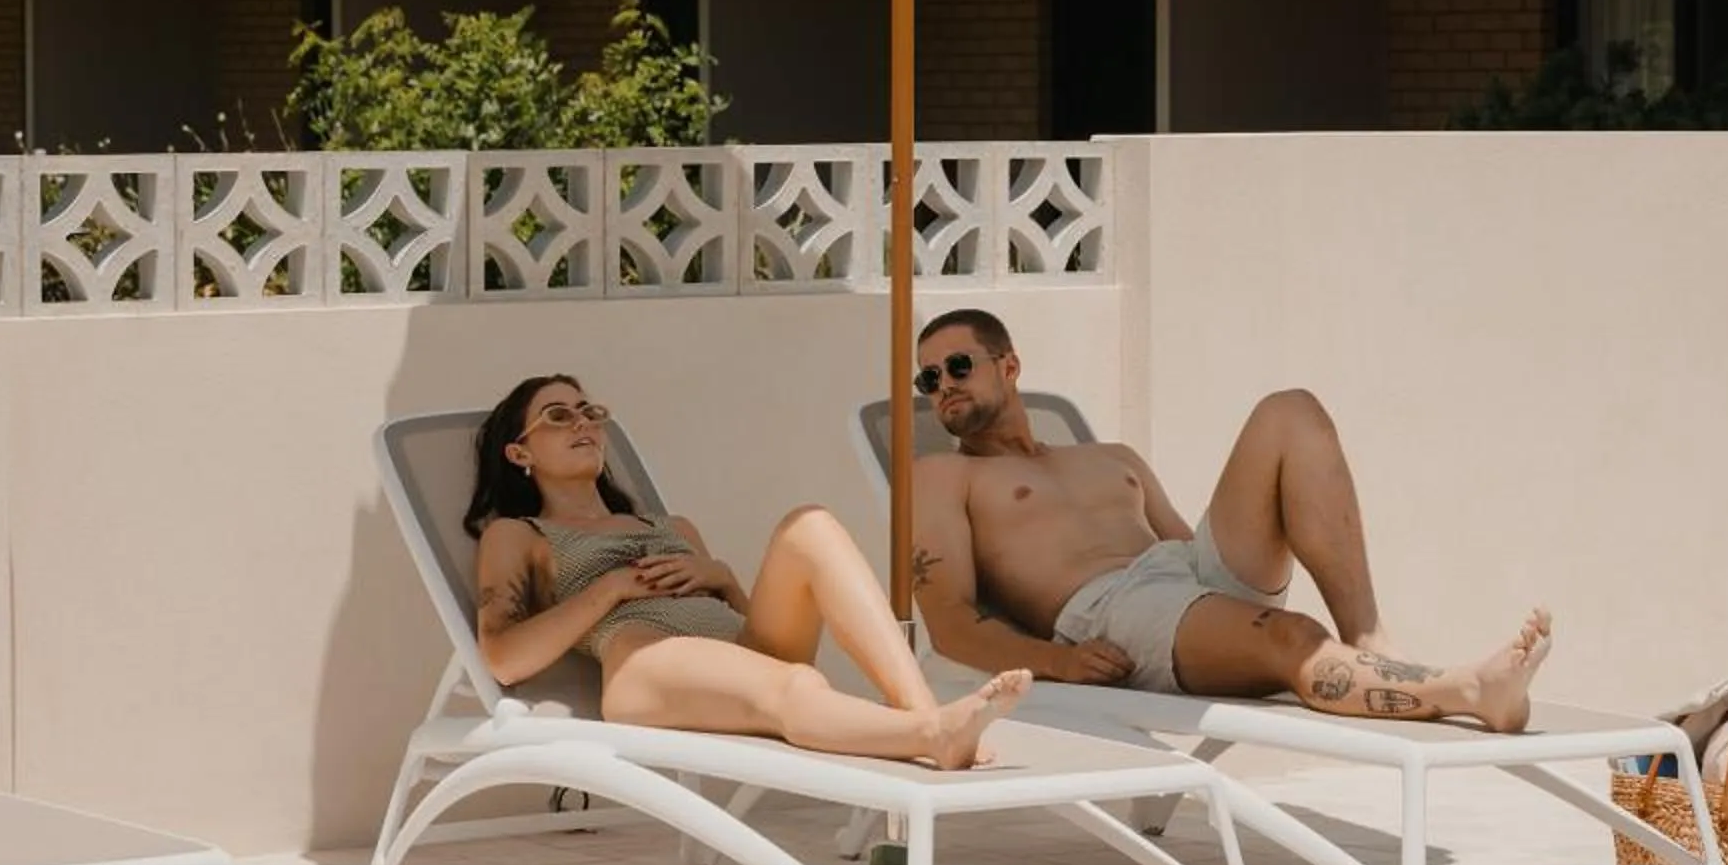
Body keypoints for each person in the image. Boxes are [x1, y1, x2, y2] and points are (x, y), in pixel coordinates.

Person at [906, 311, 1552, 732]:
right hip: (1110, 611)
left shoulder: (1112, 458)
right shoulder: (940, 477)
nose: (943, 386)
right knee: (1292, 638)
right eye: (928, 379)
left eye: (958, 366)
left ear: (1009, 366)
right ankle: (1469, 690)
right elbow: (951, 624)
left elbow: (1190, 556)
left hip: (1181, 576)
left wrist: (1222, 609)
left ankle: (1367, 634)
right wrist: (1057, 660)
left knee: (1290, 410)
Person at [468, 373, 1028, 768]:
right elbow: (504, 659)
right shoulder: (519, 534)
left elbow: (737, 621)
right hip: (642, 661)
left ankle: (927, 714)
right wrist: (612, 588)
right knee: (793, 685)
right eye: (558, 416)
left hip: (739, 649)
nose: (582, 422)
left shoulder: (671, 527)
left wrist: (722, 579)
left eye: (590, 412)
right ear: (521, 454)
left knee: (810, 526)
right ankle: (930, 733)